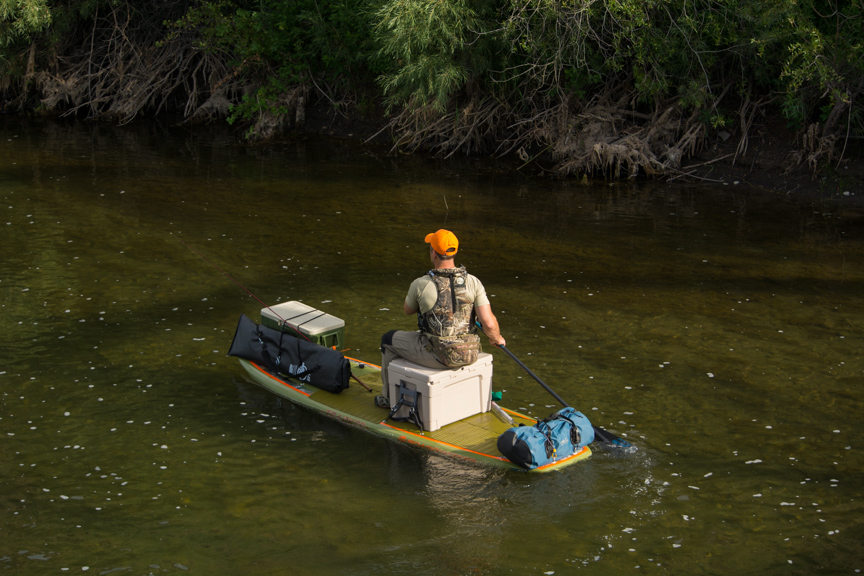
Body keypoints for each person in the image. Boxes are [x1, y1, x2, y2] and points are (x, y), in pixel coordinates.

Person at [377, 229, 506, 408]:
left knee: (387, 340)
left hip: (438, 356)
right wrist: (496, 338)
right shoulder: (474, 281)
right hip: (470, 354)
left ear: (433, 253)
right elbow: (489, 323)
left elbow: (408, 310)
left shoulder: (421, 283)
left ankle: (387, 399)